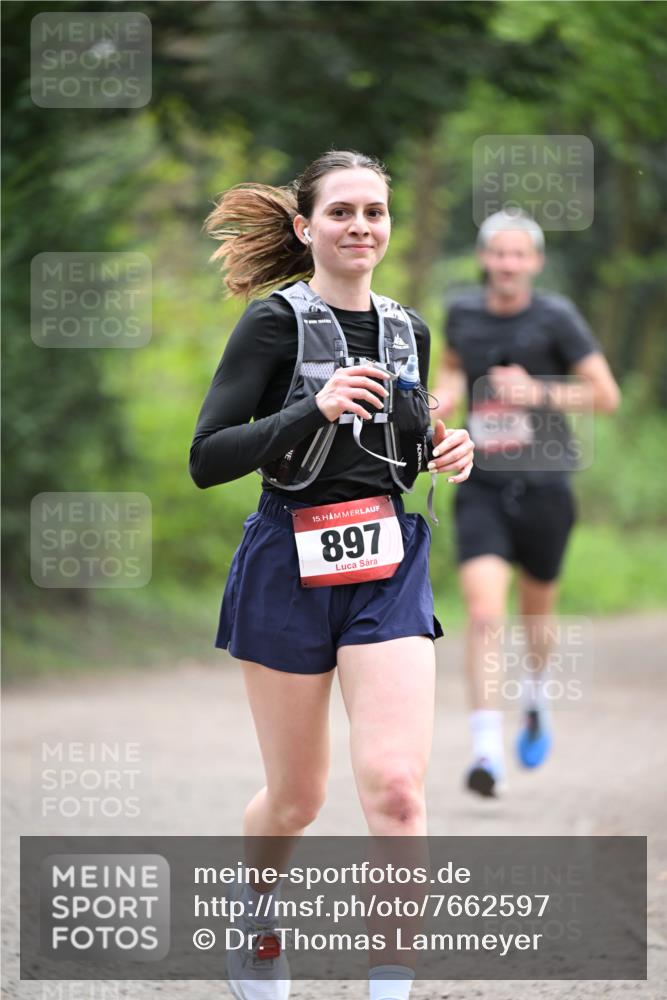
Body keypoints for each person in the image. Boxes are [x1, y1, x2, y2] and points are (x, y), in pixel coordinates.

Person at [189, 150, 474, 1000]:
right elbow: (207, 458)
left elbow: (403, 445)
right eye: (342, 212)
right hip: (287, 561)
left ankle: (388, 986)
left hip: (385, 564)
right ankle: (256, 921)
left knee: (395, 789)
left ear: (389, 225)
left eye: (375, 213)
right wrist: (307, 408)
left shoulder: (406, 329)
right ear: (306, 226)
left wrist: (448, 449)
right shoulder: (273, 324)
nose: (360, 227)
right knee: (297, 800)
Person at [434, 208, 621, 799]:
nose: (508, 264)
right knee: (485, 614)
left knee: (536, 618)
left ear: (535, 262)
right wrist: (432, 407)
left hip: (545, 486)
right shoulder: (462, 313)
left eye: (519, 255)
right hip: (482, 482)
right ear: (484, 258)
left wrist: (537, 391)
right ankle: (487, 752)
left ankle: (536, 696)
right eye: (498, 253)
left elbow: (605, 395)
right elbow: (454, 377)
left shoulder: (557, 318)